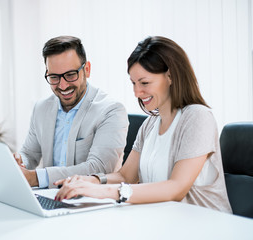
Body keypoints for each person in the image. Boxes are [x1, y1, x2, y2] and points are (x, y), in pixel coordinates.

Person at [55, 36, 232, 213]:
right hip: (165, 221)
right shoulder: (150, 124)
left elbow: (176, 188)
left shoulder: (197, 117)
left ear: (170, 76)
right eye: (133, 83)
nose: (137, 92)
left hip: (205, 225)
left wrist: (103, 191)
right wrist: (91, 181)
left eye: (145, 83)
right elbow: (126, 176)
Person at [14, 36, 128, 189]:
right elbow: (30, 152)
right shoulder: (41, 108)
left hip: (91, 201)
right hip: (49, 196)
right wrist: (19, 162)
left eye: (70, 75)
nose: (62, 85)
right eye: (54, 77)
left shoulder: (111, 110)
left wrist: (35, 178)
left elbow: (99, 168)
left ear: (86, 69)